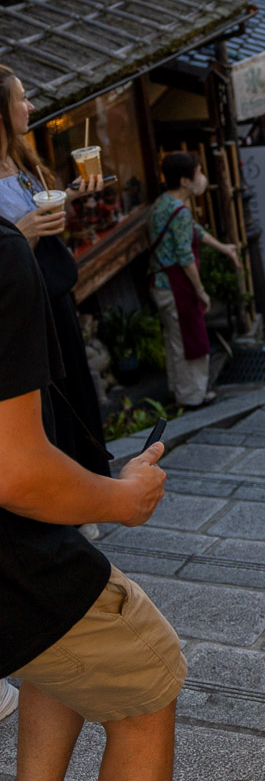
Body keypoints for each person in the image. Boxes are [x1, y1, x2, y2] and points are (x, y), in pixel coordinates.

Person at [0, 214, 207, 781]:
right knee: (151, 681)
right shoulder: (2, 253)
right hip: (12, 555)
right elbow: (14, 471)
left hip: (28, 590)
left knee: (57, 646)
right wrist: (119, 499)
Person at [0, 68, 108, 479]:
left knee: (76, 388)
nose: (29, 107)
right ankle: (61, 499)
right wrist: (23, 232)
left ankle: (89, 481)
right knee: (48, 401)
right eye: (21, 99)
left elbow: (46, 207)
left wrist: (78, 193)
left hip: (55, 291)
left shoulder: (20, 155)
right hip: (21, 302)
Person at [148, 155, 240, 411]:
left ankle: (178, 389)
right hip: (176, 287)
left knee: (176, 341)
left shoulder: (165, 203)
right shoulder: (178, 211)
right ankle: (192, 397)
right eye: (198, 174)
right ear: (186, 181)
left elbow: (194, 231)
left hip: (163, 284)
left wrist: (224, 248)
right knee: (190, 341)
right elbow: (185, 256)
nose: (202, 179)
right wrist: (201, 292)